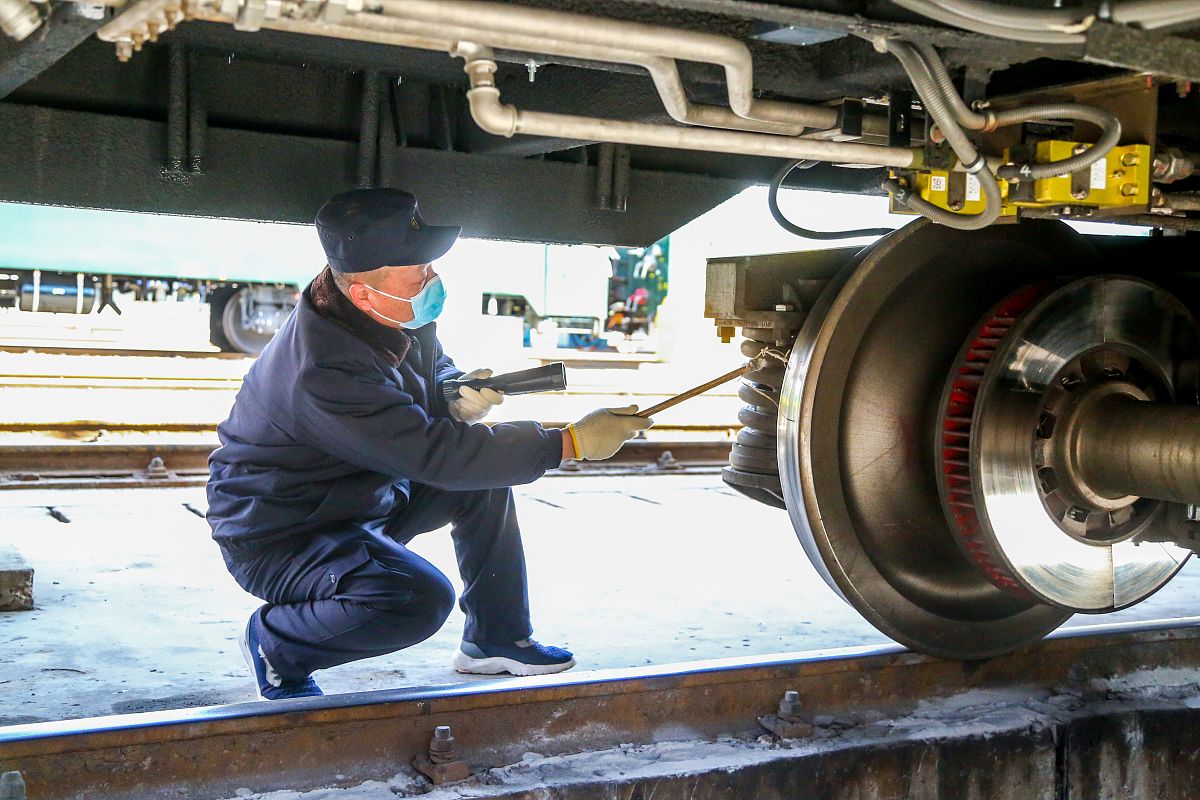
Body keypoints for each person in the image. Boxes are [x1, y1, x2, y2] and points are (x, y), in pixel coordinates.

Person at [206, 188, 653, 700]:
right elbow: (437, 455)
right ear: (365, 294)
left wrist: (451, 391)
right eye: (419, 273)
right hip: (283, 533)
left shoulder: (390, 310)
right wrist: (568, 443)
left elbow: (427, 367)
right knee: (411, 599)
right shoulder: (323, 368)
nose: (432, 280)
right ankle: (277, 645)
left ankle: (495, 637)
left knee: (486, 483)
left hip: (356, 496)